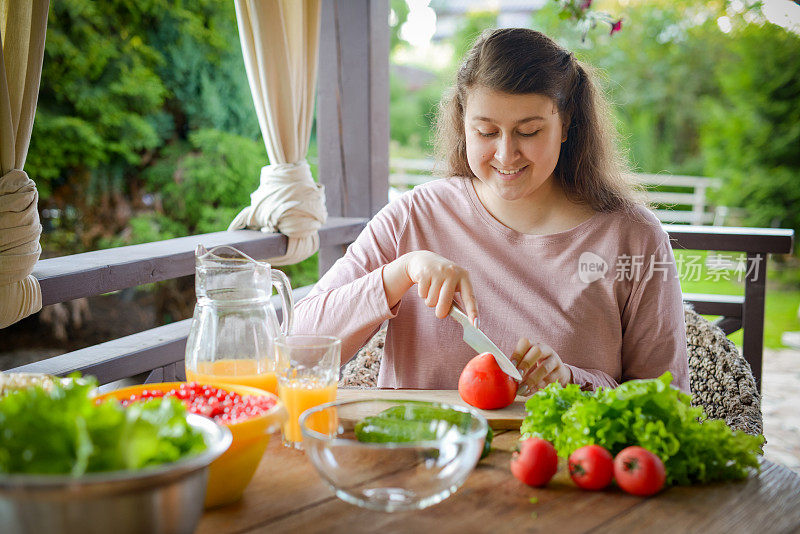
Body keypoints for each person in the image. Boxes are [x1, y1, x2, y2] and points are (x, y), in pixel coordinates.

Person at [294, 28, 689, 394]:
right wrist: (400, 273)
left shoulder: (633, 237)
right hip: (421, 463)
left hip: (563, 467)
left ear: (566, 124)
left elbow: (667, 400)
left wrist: (573, 382)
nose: (505, 154)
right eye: (485, 132)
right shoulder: (414, 216)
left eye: (529, 131)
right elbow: (298, 346)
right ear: (462, 123)